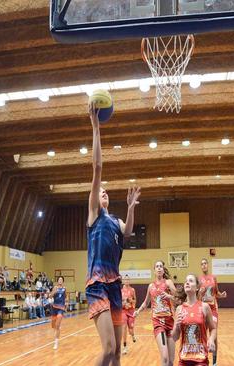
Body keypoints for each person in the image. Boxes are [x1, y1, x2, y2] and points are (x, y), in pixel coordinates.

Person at [85, 102, 140, 366]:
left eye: (106, 191)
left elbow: (128, 231)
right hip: (97, 284)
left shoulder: (116, 221)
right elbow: (97, 168)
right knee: (107, 349)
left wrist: (130, 209)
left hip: (115, 285)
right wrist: (96, 128)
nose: (102, 191)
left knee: (117, 352)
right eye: (100, 190)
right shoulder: (94, 214)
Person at [135, 261, 176, 366]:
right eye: (157, 266)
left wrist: (169, 296)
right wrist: (138, 311)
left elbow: (178, 298)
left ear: (163, 270)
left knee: (171, 360)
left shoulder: (168, 283)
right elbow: (146, 302)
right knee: (165, 357)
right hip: (158, 323)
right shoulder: (151, 286)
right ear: (154, 270)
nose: (159, 268)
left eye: (160, 266)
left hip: (170, 322)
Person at [171, 274, 217, 366]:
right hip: (184, 359)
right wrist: (176, 325)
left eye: (191, 281)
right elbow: (175, 337)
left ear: (197, 288)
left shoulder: (204, 307)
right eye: (186, 281)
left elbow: (213, 328)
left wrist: (211, 339)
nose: (187, 282)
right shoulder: (180, 309)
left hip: (201, 359)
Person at [199, 258, 226, 366]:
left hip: (213, 309)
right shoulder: (199, 279)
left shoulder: (213, 278)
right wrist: (200, 293)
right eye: (202, 264)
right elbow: (197, 297)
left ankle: (214, 362)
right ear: (200, 266)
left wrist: (222, 295)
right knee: (203, 334)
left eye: (205, 263)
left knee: (214, 334)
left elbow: (217, 293)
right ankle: (204, 357)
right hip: (203, 309)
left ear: (208, 265)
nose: (204, 265)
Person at [120, 275, 137, 355]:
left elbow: (135, 300)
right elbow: (118, 302)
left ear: (129, 280)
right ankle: (125, 346)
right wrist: (123, 304)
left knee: (130, 331)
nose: (126, 281)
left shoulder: (132, 290)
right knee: (123, 327)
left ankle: (133, 335)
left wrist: (131, 301)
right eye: (125, 279)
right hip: (123, 311)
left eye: (128, 279)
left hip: (131, 311)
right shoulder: (120, 291)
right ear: (123, 280)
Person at [51, 276, 67, 350]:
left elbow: (66, 297)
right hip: (54, 308)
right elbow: (50, 296)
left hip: (61, 308)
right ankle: (57, 327)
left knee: (57, 326)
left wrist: (66, 303)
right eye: (59, 279)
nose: (60, 280)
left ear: (63, 281)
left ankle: (56, 343)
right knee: (53, 326)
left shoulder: (64, 289)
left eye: (61, 279)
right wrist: (53, 292)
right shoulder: (55, 288)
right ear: (57, 281)